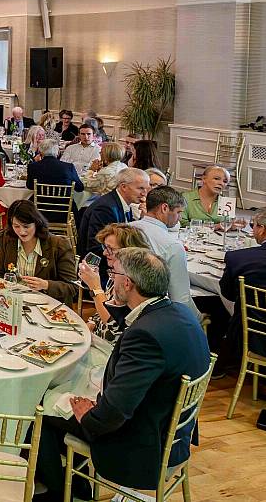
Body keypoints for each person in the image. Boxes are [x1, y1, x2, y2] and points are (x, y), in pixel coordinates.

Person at [34, 247, 210, 502]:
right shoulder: (177, 312)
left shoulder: (145, 336)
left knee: (40, 408)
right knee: (71, 397)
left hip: (143, 443)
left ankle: (61, 493)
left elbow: (115, 412)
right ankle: (76, 482)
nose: (111, 278)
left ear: (128, 283)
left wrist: (88, 417)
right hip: (172, 429)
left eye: (114, 273)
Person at [131, 186, 200, 317]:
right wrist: (200, 318)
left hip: (122, 300)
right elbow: (181, 300)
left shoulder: (126, 228)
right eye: (178, 212)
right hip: (153, 312)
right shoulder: (172, 246)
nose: (179, 218)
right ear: (164, 208)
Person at [0, 200, 77, 304]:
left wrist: (46, 285)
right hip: (14, 301)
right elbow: (0, 274)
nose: (21, 232)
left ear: (36, 223)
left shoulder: (58, 245)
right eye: (16, 226)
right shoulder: (7, 239)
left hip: (48, 305)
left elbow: (73, 287)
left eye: (26, 226)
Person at [77, 224, 150, 342]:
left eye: (110, 249)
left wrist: (95, 288)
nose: (105, 253)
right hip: (97, 339)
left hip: (113, 350)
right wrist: (92, 322)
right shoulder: (115, 274)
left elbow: (115, 328)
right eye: (105, 247)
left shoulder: (135, 283)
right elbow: (106, 304)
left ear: (128, 251)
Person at [78, 168, 150, 280]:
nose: (144, 193)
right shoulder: (105, 208)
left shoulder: (123, 203)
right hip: (100, 270)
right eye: (140, 188)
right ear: (124, 187)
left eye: (146, 189)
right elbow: (95, 246)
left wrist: (142, 219)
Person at [220, 209, 266, 361]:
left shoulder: (239, 259)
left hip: (254, 337)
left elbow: (227, 294)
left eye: (253, 225)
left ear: (262, 229)